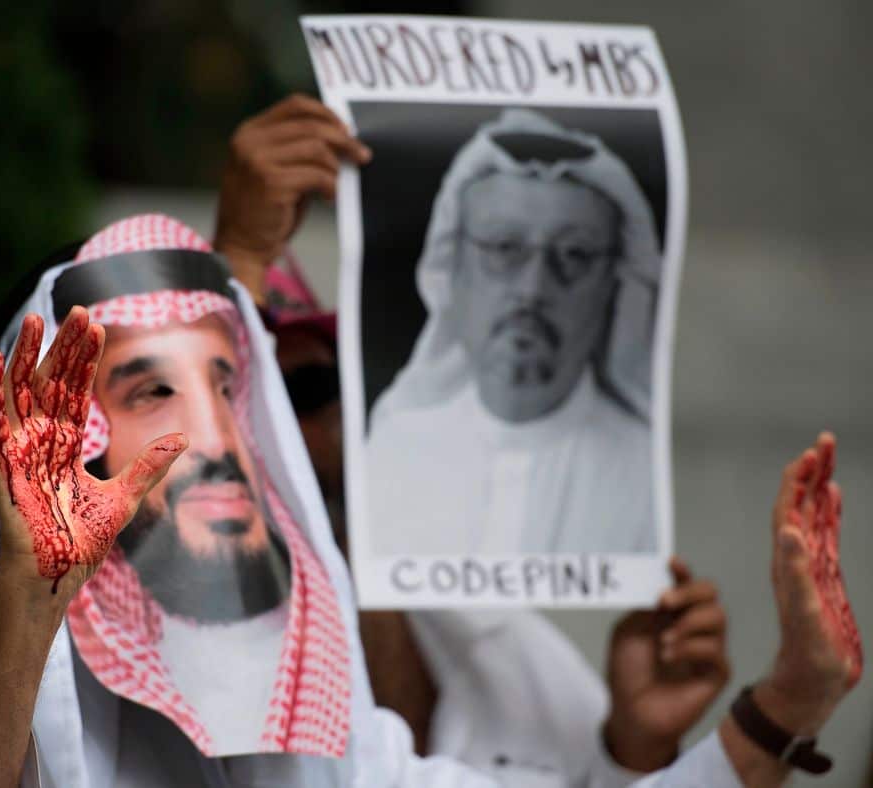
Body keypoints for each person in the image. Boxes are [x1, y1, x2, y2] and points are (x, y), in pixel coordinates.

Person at [0, 209, 863, 787]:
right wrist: (28, 596)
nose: (215, 437)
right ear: (70, 434)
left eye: (227, 388)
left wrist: (791, 697)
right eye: (154, 388)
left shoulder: (318, 731)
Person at [210, 95, 862, 786]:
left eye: (311, 391)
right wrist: (237, 261)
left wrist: (632, 747)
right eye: (254, 397)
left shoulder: (496, 638)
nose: (291, 434)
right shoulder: (143, 642)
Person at [362, 108, 662, 556]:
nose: (532, 289)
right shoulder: (391, 450)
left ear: (611, 285)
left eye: (575, 255)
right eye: (504, 248)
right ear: (452, 270)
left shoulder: (644, 472)